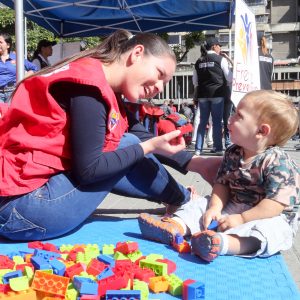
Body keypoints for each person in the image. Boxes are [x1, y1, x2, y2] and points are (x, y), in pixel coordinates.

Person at [0, 29, 222, 241]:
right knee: (127, 146)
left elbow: (140, 133)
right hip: (23, 209)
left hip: (15, 202)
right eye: (159, 74)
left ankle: (181, 199)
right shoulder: (90, 89)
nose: (159, 88)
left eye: (164, 83)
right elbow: (91, 169)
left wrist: (197, 163)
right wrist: (146, 148)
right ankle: (184, 201)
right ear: (137, 53)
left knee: (128, 145)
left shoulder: (95, 78)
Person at [139, 90, 299, 262]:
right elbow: (221, 184)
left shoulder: (277, 161)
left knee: (273, 231)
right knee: (201, 204)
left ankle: (221, 244)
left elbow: (274, 205)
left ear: (261, 130)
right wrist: (214, 208)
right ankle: (175, 226)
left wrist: (242, 219)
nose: (230, 118)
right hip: (234, 206)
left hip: (267, 215)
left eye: (239, 115)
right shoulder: (233, 153)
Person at [193, 37, 232, 156]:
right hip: (217, 94)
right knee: (216, 121)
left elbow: (195, 81)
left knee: (202, 121)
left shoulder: (198, 61)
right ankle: (218, 148)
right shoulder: (220, 59)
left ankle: (198, 149)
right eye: (219, 45)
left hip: (202, 95)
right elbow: (229, 78)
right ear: (214, 46)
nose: (220, 48)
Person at [0, 32, 38, 103]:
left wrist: (22, 78)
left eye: (0, 42)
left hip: (12, 92)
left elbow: (34, 68)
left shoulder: (17, 58)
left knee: (11, 113)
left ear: (8, 45)